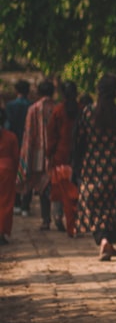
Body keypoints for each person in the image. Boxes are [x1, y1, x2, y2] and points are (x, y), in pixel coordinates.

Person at [74, 74, 116, 261]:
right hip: (114, 168)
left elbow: (78, 142)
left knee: (94, 205)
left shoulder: (87, 112)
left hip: (91, 168)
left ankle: (102, 240)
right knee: (112, 206)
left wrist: (76, 166)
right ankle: (107, 241)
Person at [17, 78, 55, 228]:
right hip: (55, 153)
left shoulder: (33, 109)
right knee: (54, 183)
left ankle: (46, 219)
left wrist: (26, 156)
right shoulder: (57, 108)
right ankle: (59, 215)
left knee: (41, 185)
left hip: (38, 154)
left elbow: (28, 134)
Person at [46, 80, 80, 237]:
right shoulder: (82, 110)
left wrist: (49, 153)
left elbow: (52, 135)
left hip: (60, 156)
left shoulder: (58, 111)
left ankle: (58, 216)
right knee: (75, 189)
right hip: (78, 157)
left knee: (59, 188)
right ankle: (75, 220)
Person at [4, 79, 30, 215]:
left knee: (14, 172)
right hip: (28, 143)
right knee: (27, 172)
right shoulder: (31, 105)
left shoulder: (10, 105)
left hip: (13, 141)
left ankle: (17, 203)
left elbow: (8, 124)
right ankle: (26, 204)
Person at [0, 107, 19, 245]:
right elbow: (16, 157)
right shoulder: (11, 136)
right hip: (7, 170)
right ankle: (2, 232)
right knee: (6, 202)